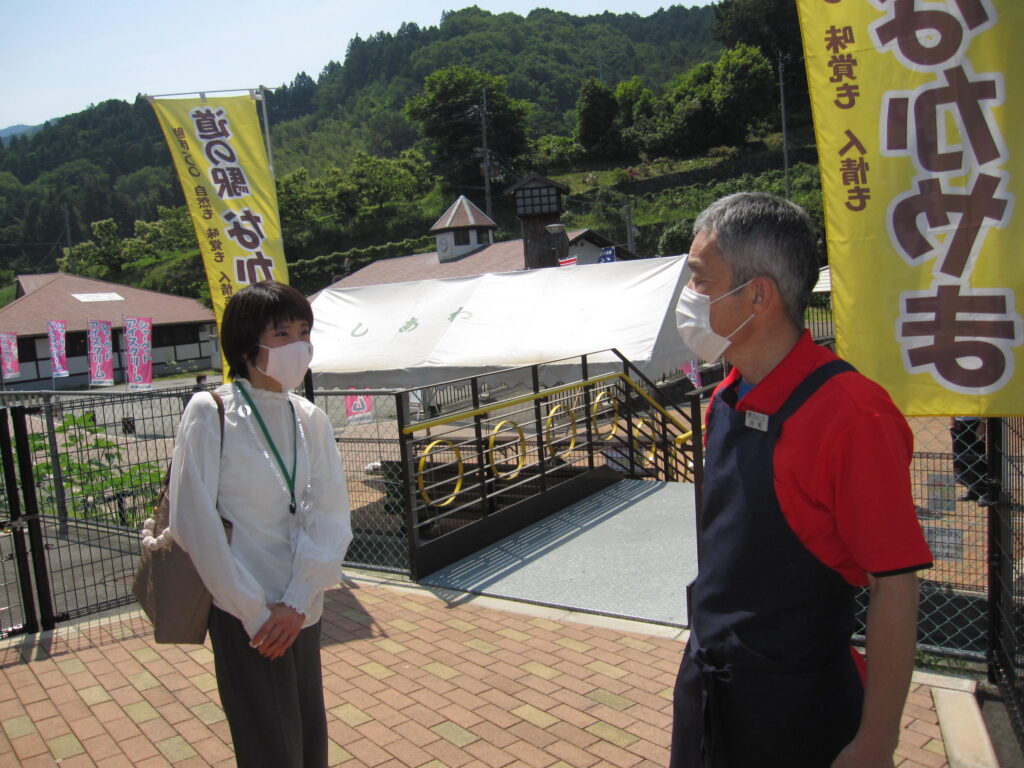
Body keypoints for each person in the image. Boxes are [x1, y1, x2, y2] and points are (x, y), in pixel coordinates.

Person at [672, 193, 932, 768]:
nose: (689, 296)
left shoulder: (853, 415)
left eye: (700, 279)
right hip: (709, 686)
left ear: (758, 296)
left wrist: (875, 742)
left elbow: (894, 585)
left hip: (796, 710)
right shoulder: (725, 398)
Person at [169, 281, 352, 767]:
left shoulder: (309, 418)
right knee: (269, 746)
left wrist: (297, 601)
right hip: (244, 614)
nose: (299, 346)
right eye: (283, 334)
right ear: (248, 345)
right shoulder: (211, 412)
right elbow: (193, 521)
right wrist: (255, 612)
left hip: (300, 608)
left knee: (308, 738)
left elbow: (331, 515)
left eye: (304, 332)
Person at [950, 416, 989, 505]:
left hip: (974, 423)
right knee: (962, 460)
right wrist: (952, 419)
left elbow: (984, 408)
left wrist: (982, 424)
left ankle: (983, 493)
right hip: (959, 423)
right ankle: (973, 491)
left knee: (977, 459)